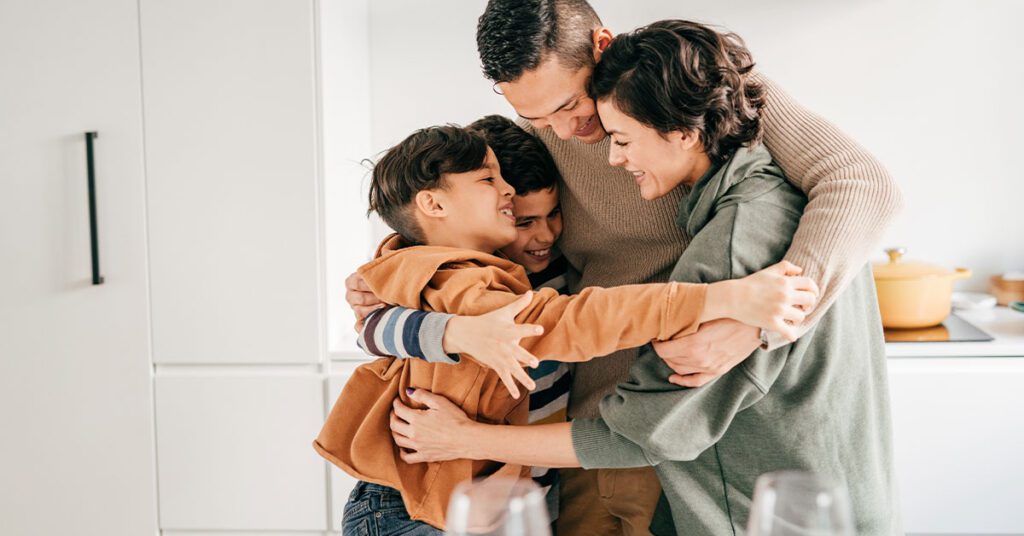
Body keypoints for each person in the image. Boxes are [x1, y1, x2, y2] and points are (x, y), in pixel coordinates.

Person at [345, 1, 903, 532]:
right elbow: (458, 206)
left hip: (673, 409)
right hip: (582, 417)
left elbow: (859, 182)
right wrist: (400, 272)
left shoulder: (692, 91)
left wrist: (762, 322)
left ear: (601, 47)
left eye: (569, 107)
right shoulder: (545, 132)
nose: (563, 132)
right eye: (534, 117)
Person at [315, 124, 818, 534]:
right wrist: (719, 298)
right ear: (434, 206)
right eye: (489, 182)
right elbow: (569, 321)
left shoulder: (494, 271)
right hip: (417, 512)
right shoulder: (448, 274)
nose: (507, 193)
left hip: (486, 502)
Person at [356, 114, 573, 525]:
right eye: (522, 220)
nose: (543, 236)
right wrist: (458, 333)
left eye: (553, 214)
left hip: (524, 489)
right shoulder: (448, 274)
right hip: (433, 499)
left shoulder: (558, 270)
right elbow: (372, 328)